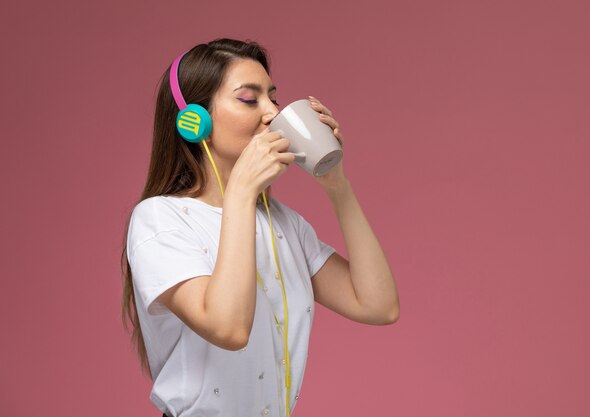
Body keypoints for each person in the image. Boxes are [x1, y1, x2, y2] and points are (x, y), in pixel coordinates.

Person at [120, 38, 400, 417]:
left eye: (273, 98)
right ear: (194, 121)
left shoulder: (283, 223)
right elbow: (229, 328)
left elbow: (378, 305)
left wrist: (337, 184)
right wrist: (240, 192)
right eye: (250, 99)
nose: (272, 113)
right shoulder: (159, 218)